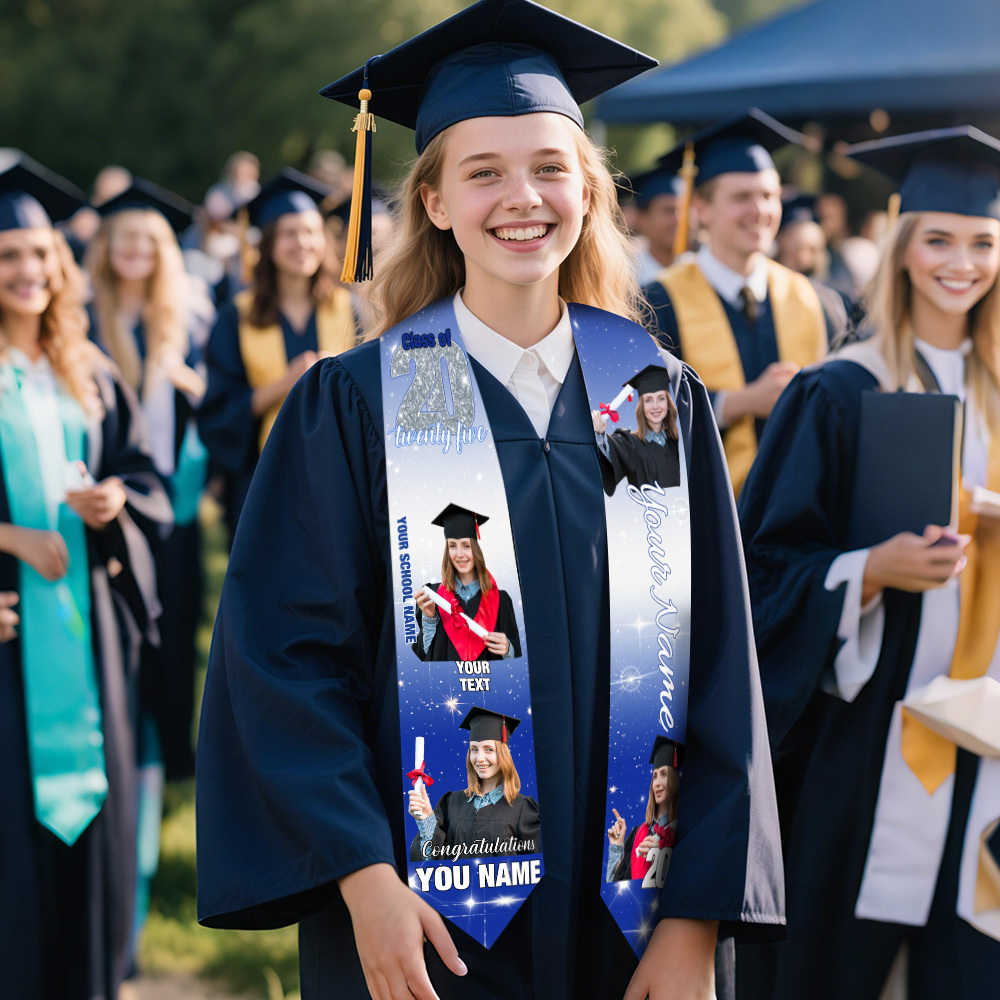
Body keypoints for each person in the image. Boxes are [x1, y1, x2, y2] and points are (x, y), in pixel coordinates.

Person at [196, 4, 784, 1000]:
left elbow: (719, 662)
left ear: (586, 192)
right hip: (426, 924)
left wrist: (692, 920)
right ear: (432, 202)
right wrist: (364, 876)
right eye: (484, 172)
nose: (524, 197)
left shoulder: (647, 395)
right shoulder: (359, 402)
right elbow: (284, 662)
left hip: (631, 922)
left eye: (552, 167)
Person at [736, 127, 1000, 1000]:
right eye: (939, 240)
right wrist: (870, 571)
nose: (961, 264)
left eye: (983, 244)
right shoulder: (843, 392)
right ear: (901, 248)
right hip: (868, 742)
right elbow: (760, 574)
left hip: (989, 749)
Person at [0, 156, 171, 1000]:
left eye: (40, 254)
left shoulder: (90, 371)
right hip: (4, 641)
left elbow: (147, 481)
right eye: (8, 257)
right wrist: (10, 537)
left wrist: (115, 503)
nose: (29, 272)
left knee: (88, 835)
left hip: (83, 628)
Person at [86, 177, 208, 783]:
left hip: (174, 504)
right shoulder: (82, 318)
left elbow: (220, 404)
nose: (136, 249)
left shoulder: (189, 320)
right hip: (104, 503)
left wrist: (190, 381)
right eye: (123, 237)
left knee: (174, 627)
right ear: (104, 245)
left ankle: (169, 761)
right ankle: (117, 749)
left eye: (148, 239)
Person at [643, 109, 833, 497]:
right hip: (703, 516)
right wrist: (738, 403)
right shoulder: (655, 303)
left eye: (769, 195)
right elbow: (641, 419)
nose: (760, 211)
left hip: (798, 519)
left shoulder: (817, 301)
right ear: (701, 209)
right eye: (742, 197)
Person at [196, 168, 357, 538]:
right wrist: (286, 383)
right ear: (267, 243)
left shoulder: (350, 310)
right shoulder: (237, 317)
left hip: (343, 479)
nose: (302, 243)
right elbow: (219, 410)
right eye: (288, 233)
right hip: (261, 484)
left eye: (311, 232)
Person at [408, 707, 539, 862]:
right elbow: (430, 867)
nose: (479, 758)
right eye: (474, 750)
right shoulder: (450, 802)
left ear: (503, 754)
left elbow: (535, 869)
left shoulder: (523, 808)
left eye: (489, 749)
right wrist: (426, 821)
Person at [413, 504, 521, 662]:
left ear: (475, 549)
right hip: (444, 685)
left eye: (466, 545)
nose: (459, 554)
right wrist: (429, 618)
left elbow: (516, 660)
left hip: (489, 686)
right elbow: (419, 658)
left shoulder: (500, 600)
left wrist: (508, 649)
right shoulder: (433, 597)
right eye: (452, 546)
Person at [592, 363, 681, 495]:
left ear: (668, 404)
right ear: (641, 407)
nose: (655, 406)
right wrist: (600, 433)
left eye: (661, 398)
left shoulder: (679, 443)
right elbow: (611, 452)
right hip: (648, 514)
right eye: (648, 400)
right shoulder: (631, 443)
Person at [607, 737, 681, 883]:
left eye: (664, 774)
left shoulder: (680, 833)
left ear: (674, 779)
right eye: (655, 776)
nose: (658, 783)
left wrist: (661, 860)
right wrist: (616, 846)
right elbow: (617, 886)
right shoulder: (638, 833)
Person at [630, 168, 685, 285]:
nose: (679, 220)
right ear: (642, 219)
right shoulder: (625, 277)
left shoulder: (706, 273)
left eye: (684, 211)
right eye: (668, 211)